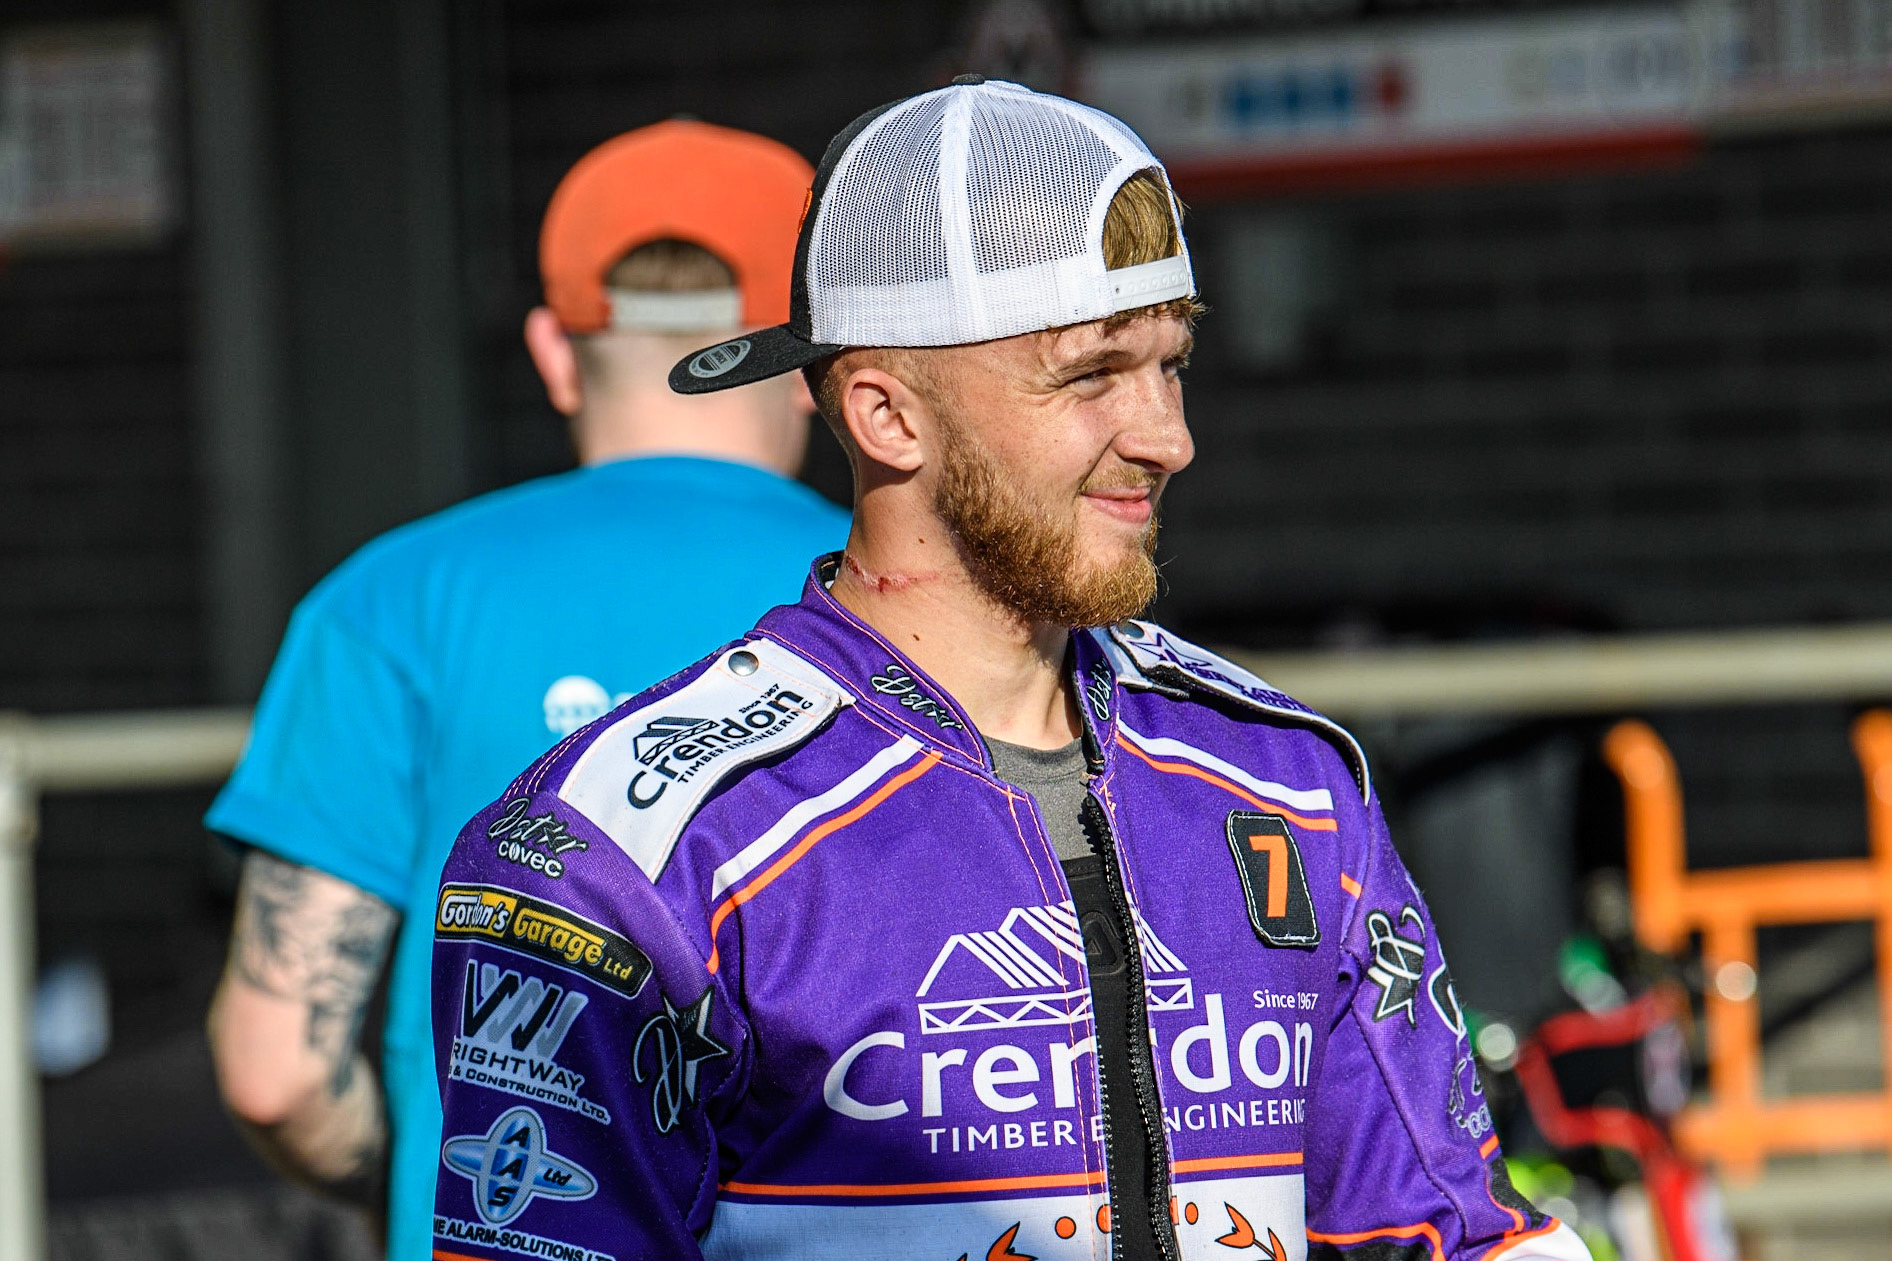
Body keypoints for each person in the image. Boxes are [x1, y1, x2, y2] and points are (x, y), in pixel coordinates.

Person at [429, 79, 1592, 1261]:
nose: (1166, 436)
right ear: (886, 415)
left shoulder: (1282, 780)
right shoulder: (631, 858)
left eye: (1168, 364)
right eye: (1089, 376)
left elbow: (1448, 1232)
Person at [204, 120, 849, 1261]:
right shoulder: (918, 600)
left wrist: (410, 1178)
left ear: (555, 350)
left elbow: (277, 1071)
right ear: (811, 364)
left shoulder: (394, 599)